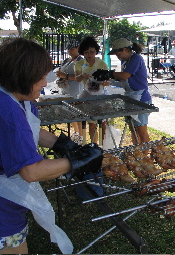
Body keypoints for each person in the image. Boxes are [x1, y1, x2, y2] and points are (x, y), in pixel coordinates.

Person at [0, 38, 103, 254]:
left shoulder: (17, 97)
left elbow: (31, 130)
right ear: (22, 77)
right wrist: (76, 161)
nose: (45, 84)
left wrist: (62, 144)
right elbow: (30, 171)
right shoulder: (7, 111)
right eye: (40, 78)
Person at [92, 38, 152, 145]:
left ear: (125, 50)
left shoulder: (136, 58)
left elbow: (125, 75)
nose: (116, 55)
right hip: (131, 97)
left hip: (141, 99)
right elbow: (123, 78)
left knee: (142, 131)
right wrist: (109, 77)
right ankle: (137, 152)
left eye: (117, 52)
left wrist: (109, 74)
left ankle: (148, 156)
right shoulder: (125, 61)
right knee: (133, 130)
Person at [74, 36, 110, 143]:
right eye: (86, 52)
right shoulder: (79, 64)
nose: (89, 55)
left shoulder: (102, 64)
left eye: (92, 52)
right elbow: (77, 79)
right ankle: (93, 145)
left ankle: (103, 145)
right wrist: (82, 76)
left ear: (96, 52)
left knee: (103, 122)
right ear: (83, 53)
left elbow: (108, 81)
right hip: (87, 95)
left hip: (101, 95)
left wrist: (105, 83)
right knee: (91, 123)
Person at [55, 39, 83, 143]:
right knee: (69, 113)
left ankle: (81, 135)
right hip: (65, 89)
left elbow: (80, 77)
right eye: (68, 49)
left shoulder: (81, 61)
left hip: (76, 90)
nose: (70, 51)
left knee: (77, 113)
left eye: (72, 49)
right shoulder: (67, 61)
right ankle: (76, 133)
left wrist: (66, 76)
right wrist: (60, 76)